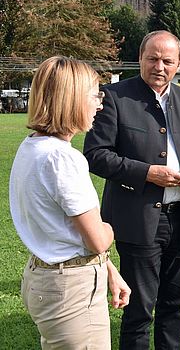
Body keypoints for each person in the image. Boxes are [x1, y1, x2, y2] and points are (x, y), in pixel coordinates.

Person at [84, 31, 180, 349]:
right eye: (152, 58)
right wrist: (147, 174)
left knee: (175, 304)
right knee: (139, 311)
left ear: (179, 63)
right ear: (140, 58)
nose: (159, 66)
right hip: (137, 219)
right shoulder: (115, 97)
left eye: (167, 61)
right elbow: (96, 155)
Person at [10, 56, 131, 349]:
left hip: (45, 279)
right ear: (72, 100)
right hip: (71, 290)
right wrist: (111, 229)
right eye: (95, 95)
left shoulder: (31, 148)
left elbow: (68, 233)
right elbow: (97, 240)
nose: (100, 105)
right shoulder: (63, 158)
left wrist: (110, 272)